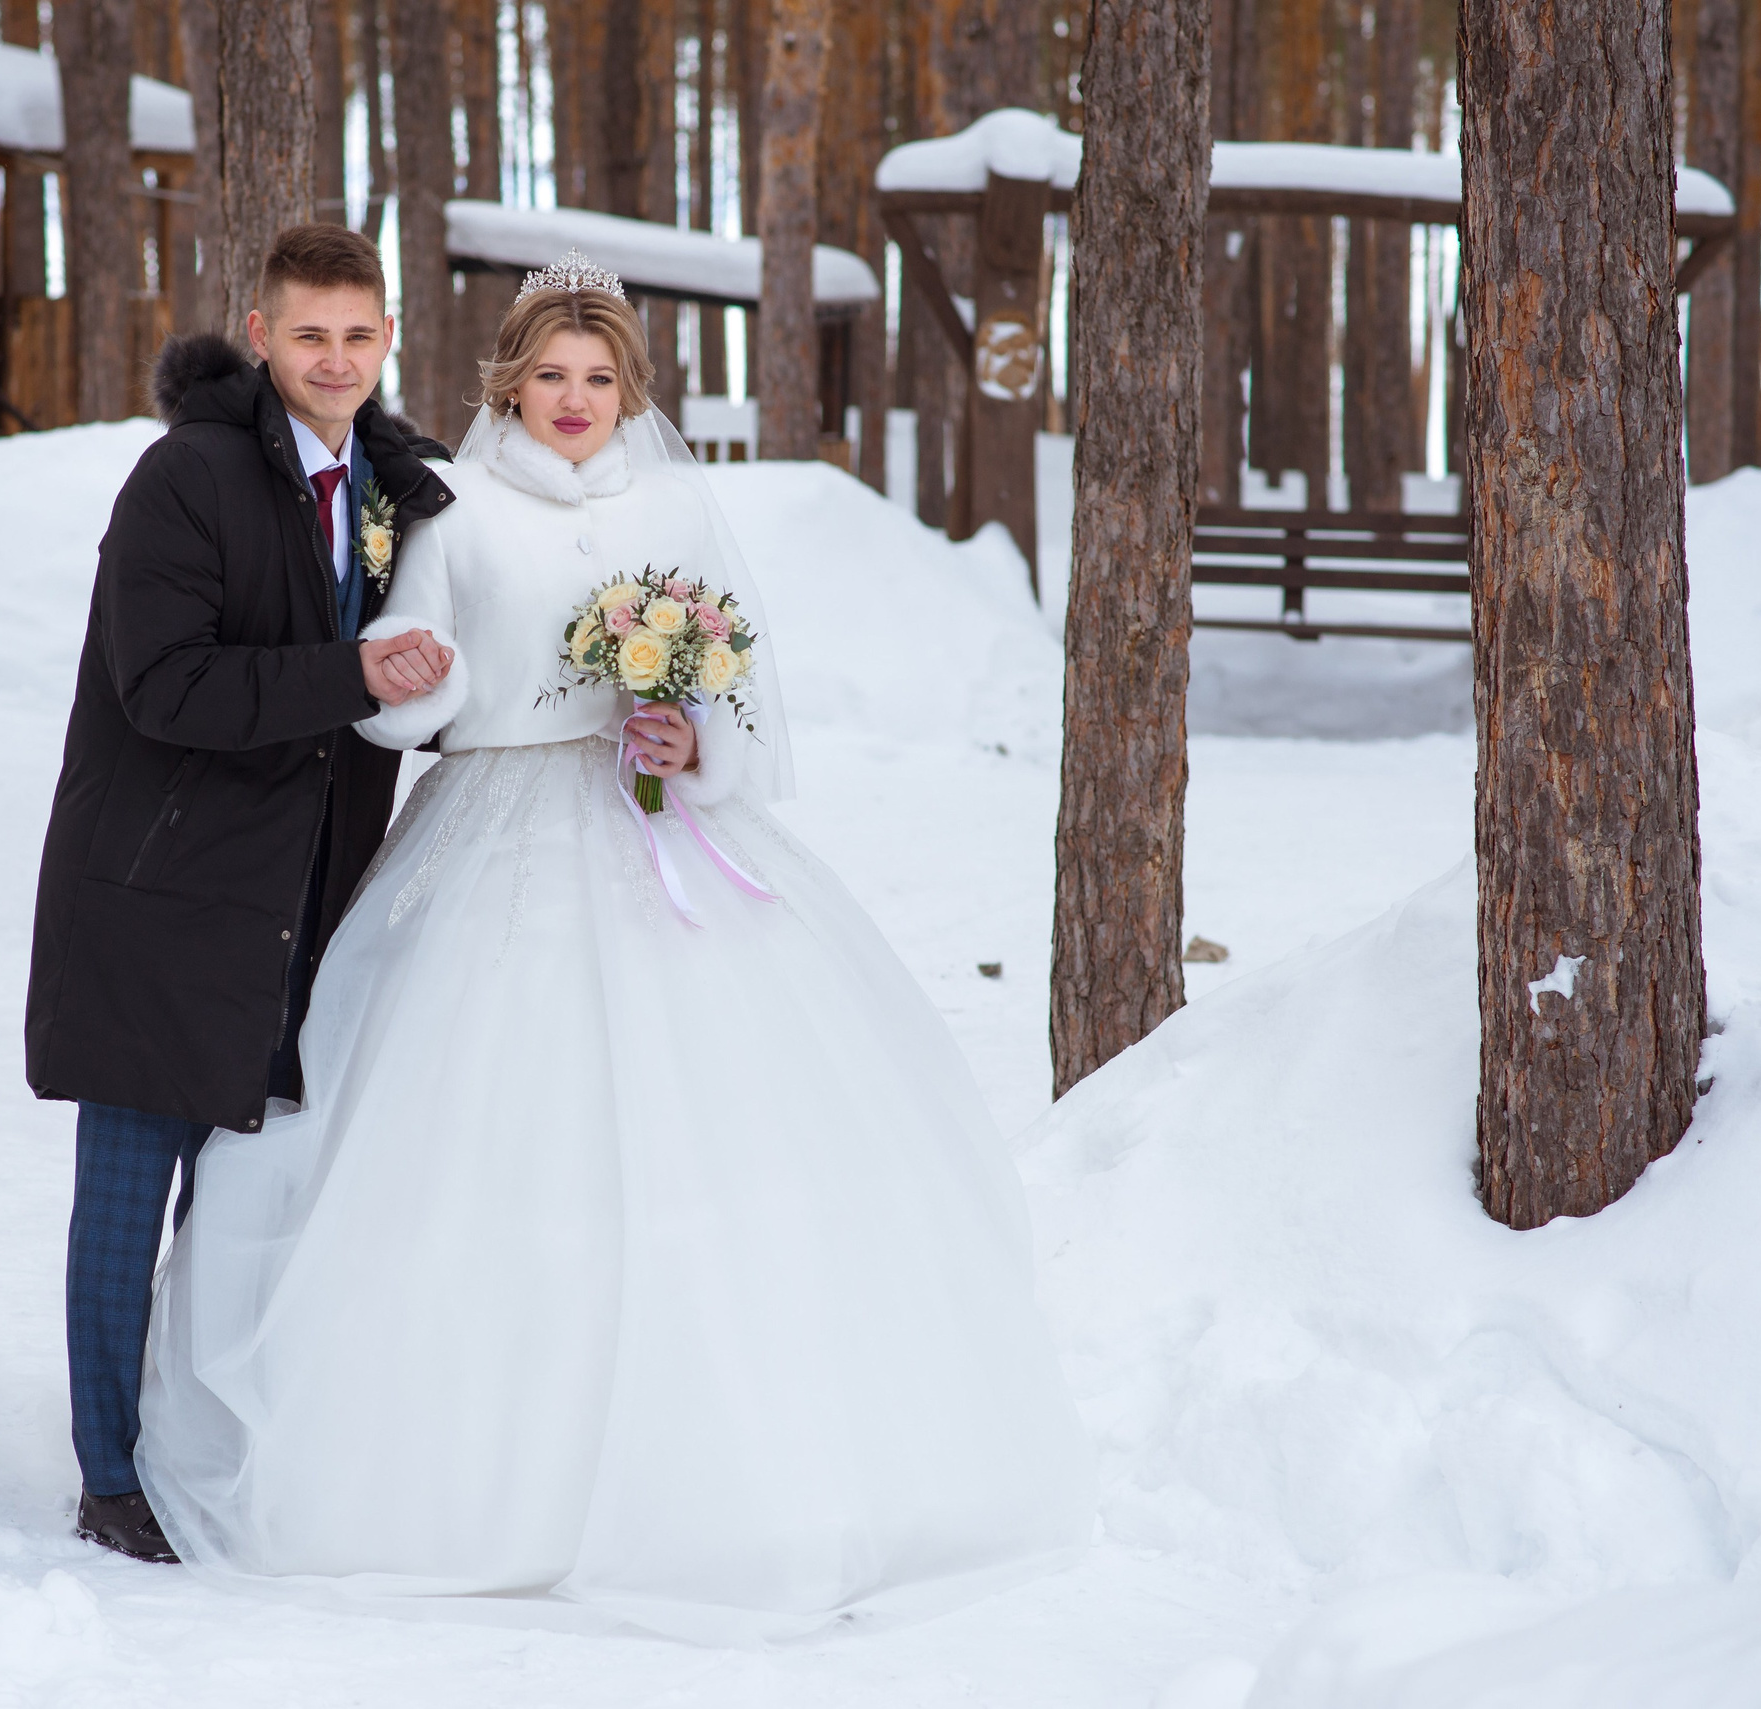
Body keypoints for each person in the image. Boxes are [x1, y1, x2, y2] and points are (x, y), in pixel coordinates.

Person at [135, 254, 1095, 1641]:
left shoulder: (674, 511)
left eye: (598, 378)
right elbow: (403, 686)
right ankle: (466, 1477)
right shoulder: (449, 507)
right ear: (508, 380)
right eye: (549, 376)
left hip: (654, 844)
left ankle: (721, 1470)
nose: (573, 401)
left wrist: (689, 739)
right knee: (475, 1136)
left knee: (703, 1144)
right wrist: (436, 684)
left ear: (627, 389)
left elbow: (752, 717)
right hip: (492, 845)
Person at [24, 223, 458, 1563]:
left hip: (305, 899)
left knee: (248, 1205)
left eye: (359, 334)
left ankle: (206, 1450)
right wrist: (353, 675)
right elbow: (166, 684)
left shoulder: (397, 486)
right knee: (128, 1184)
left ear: (387, 341)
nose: (336, 359)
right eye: (309, 333)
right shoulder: (187, 479)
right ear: (260, 336)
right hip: (162, 890)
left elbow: (437, 664)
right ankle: (108, 1476)